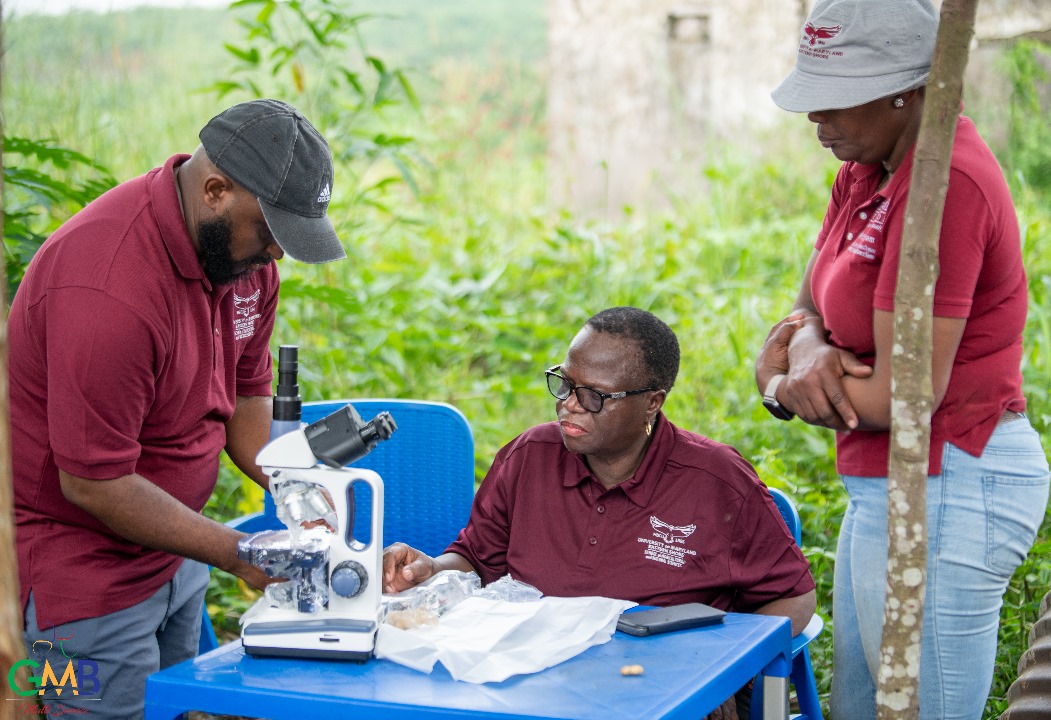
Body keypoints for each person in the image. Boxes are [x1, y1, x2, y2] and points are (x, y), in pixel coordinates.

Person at [754, 1, 1051, 718]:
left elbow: (898, 401)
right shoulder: (867, 166)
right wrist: (811, 349)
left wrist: (783, 377)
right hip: (881, 481)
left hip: (952, 482)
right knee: (868, 707)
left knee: (914, 711)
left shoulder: (944, 188)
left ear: (905, 88)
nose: (815, 119)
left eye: (835, 97)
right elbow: (801, 313)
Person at [10, 98, 346, 718]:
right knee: (86, 709)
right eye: (272, 233)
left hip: (176, 554)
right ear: (215, 189)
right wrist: (237, 552)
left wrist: (307, 496)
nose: (277, 255)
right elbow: (94, 482)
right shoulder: (107, 291)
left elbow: (248, 400)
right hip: (80, 588)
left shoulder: (239, 260)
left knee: (180, 710)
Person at [385, 306, 817, 720]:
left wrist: (724, 673)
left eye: (594, 396)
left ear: (652, 402)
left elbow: (793, 597)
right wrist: (433, 567)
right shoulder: (529, 456)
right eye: (565, 383)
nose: (570, 404)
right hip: (529, 687)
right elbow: (477, 560)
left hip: (660, 693)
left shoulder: (716, 481)